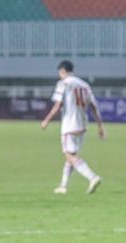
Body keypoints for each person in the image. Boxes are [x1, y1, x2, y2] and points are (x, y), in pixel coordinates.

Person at [41, 60, 105, 194]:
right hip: (82, 125)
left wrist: (46, 120)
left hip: (69, 125)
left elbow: (58, 105)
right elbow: (93, 106)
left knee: (70, 156)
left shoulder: (63, 83)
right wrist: (100, 126)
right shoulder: (84, 85)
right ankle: (63, 186)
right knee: (71, 156)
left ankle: (92, 177)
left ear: (62, 71)